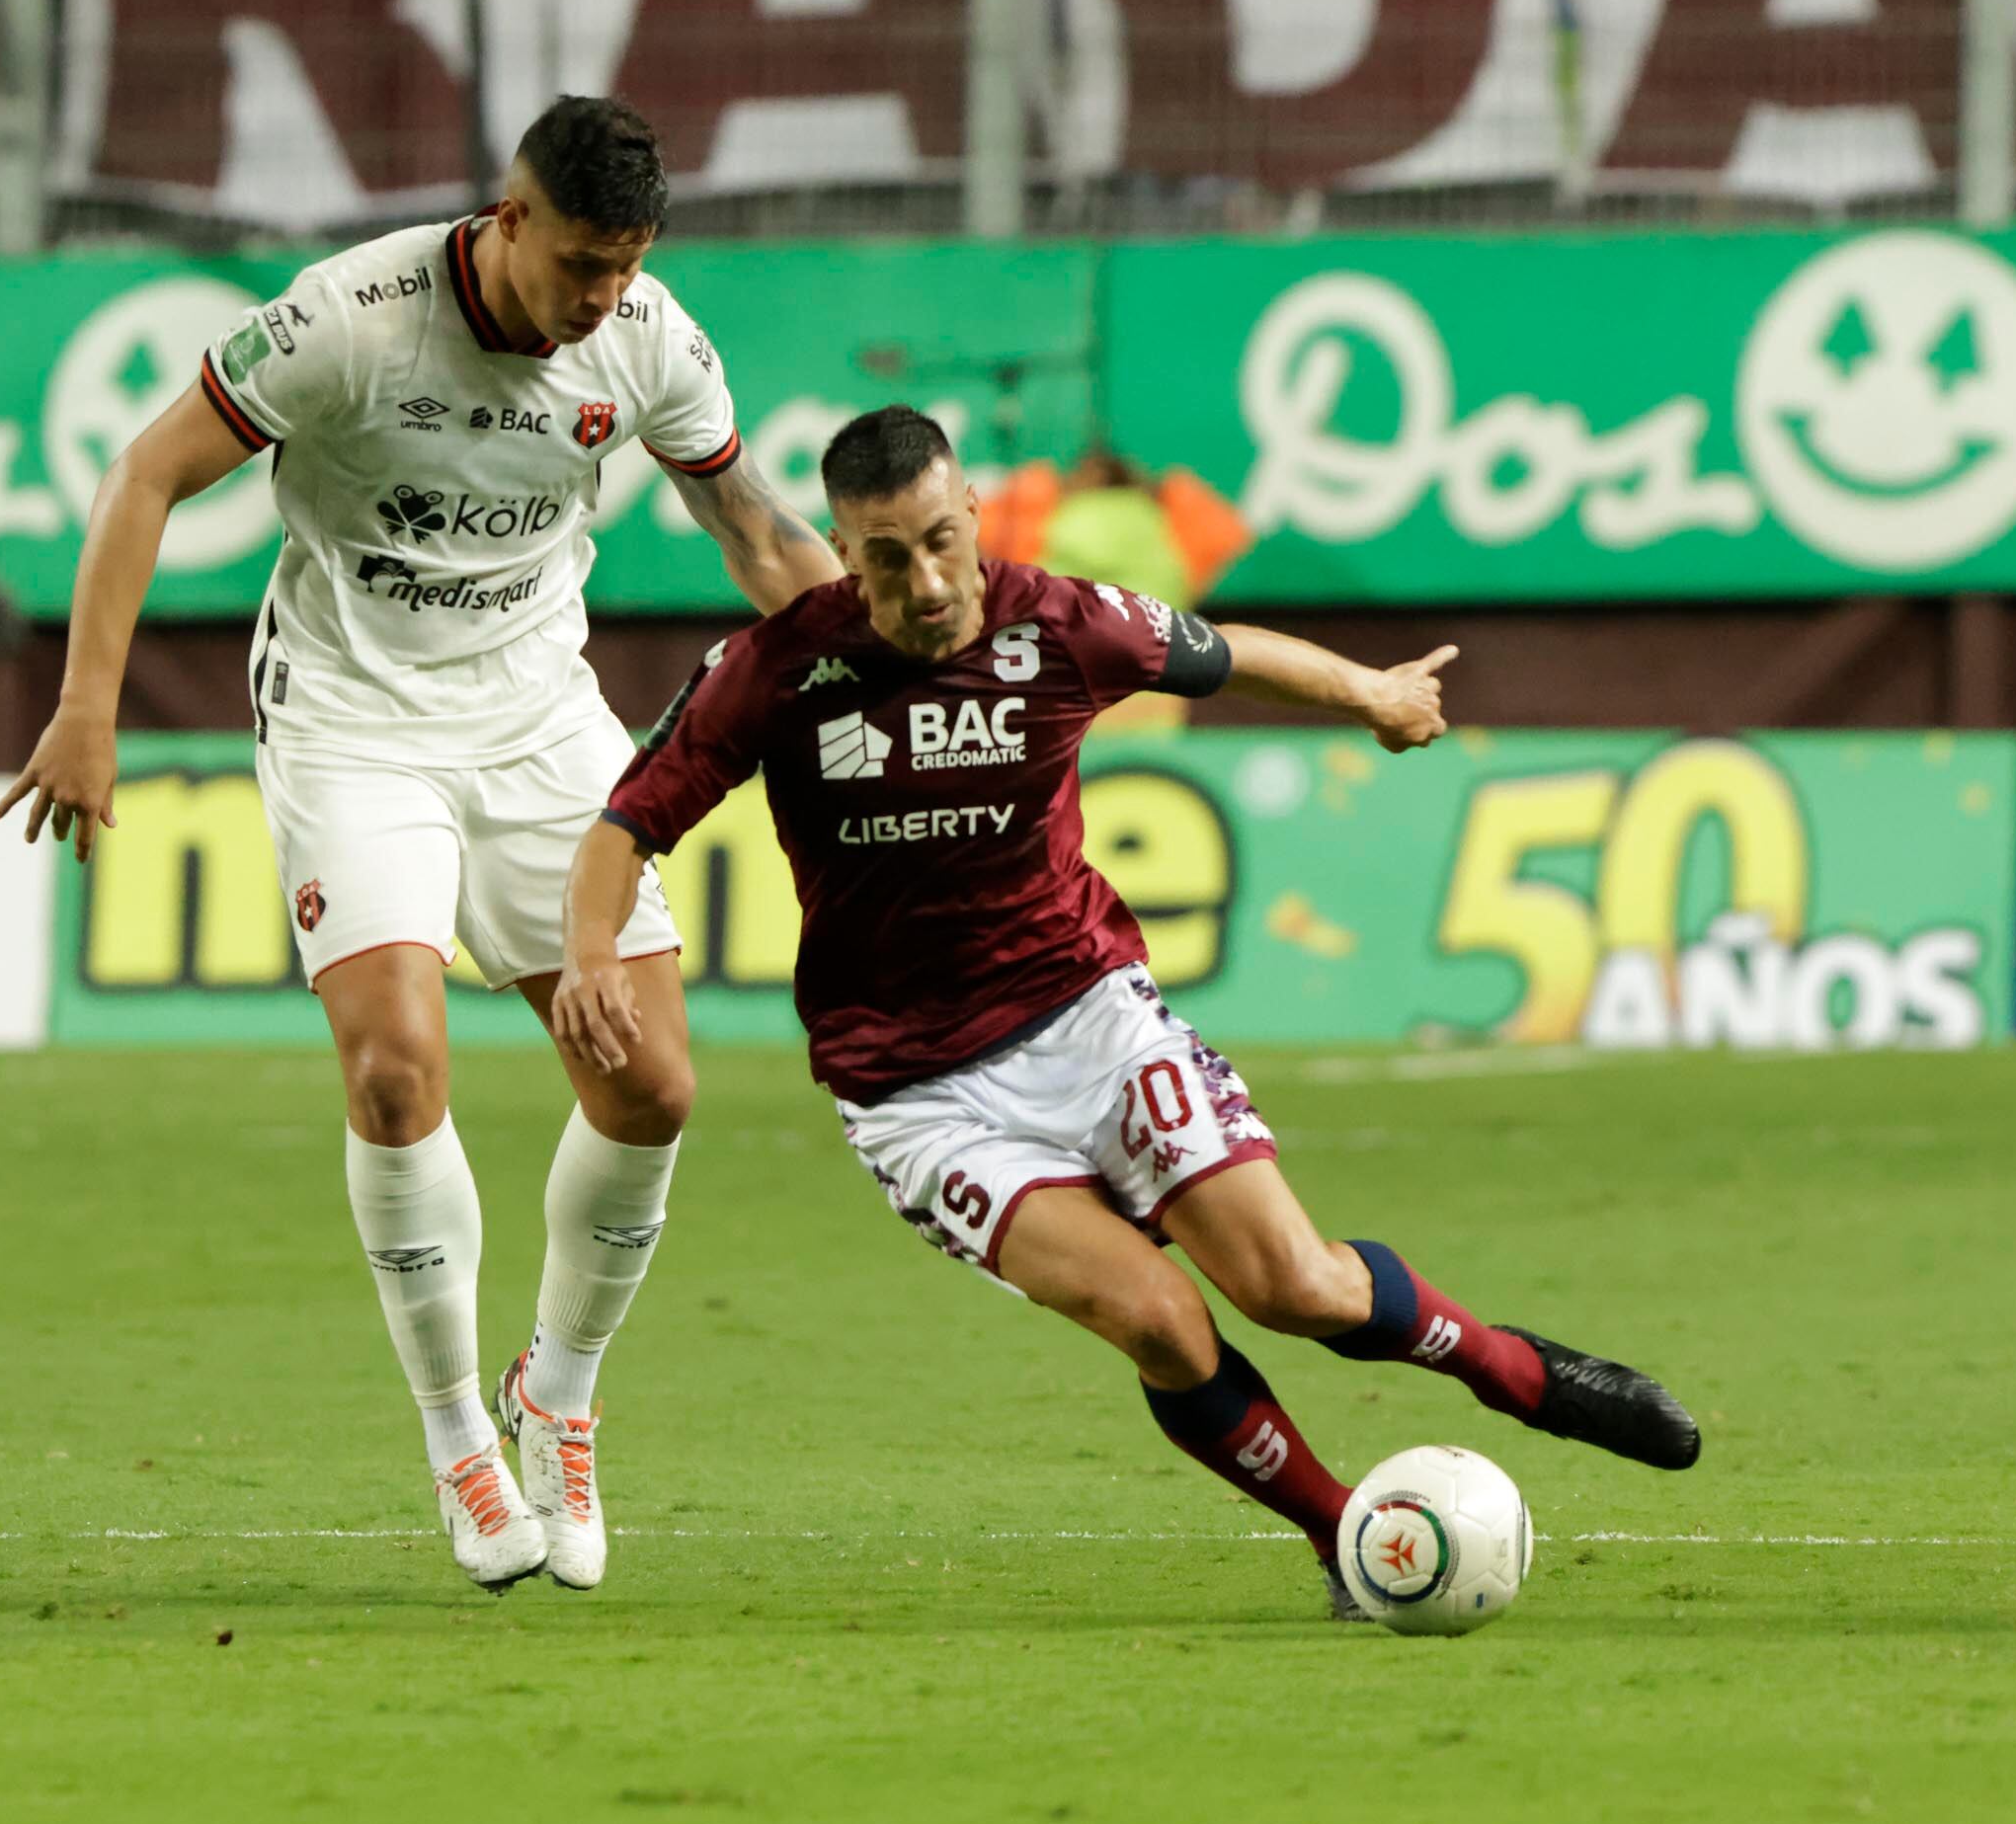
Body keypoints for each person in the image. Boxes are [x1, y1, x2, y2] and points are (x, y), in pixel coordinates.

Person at [553, 406, 1699, 1621]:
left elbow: (1222, 651)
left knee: (1294, 1287)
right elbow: (627, 828)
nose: (926, 579)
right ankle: (1343, 1537)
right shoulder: (778, 669)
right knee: (1154, 1317)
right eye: (886, 556)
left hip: (1091, 1023)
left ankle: (1523, 1375)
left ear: (974, 516)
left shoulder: (1060, 622)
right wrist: (587, 956)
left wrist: (1370, 692)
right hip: (918, 1098)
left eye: (942, 540)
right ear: (844, 551)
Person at [0, 98, 842, 1594]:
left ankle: (556, 1396)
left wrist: (884, 676)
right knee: (395, 1067)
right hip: (348, 716)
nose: (599, 301)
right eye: (581, 265)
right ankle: (458, 1431)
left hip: (533, 716)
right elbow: (145, 475)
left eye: (625, 268)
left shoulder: (646, 337)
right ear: (509, 220)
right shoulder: (351, 318)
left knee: (651, 1083)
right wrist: (87, 707)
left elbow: (761, 533)